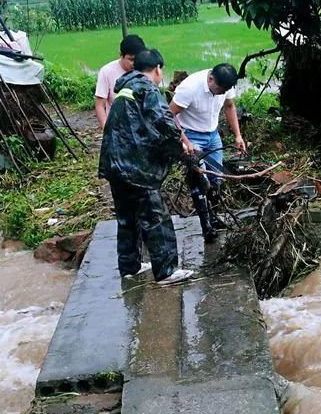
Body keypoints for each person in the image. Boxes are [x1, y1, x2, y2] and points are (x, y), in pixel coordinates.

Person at [98, 49, 193, 286]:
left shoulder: (124, 89)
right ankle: (167, 271)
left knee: (127, 217)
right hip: (136, 167)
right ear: (158, 68)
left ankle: (130, 266)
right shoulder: (147, 88)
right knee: (156, 218)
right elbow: (165, 123)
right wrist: (181, 151)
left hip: (114, 164)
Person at [169, 63, 245, 240]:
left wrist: (238, 136)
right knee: (199, 180)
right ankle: (206, 227)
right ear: (210, 79)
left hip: (213, 134)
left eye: (224, 90)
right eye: (219, 89)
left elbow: (229, 106)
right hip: (191, 135)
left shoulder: (224, 85)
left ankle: (214, 216)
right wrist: (185, 141)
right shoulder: (190, 87)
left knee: (215, 178)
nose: (221, 93)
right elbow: (169, 114)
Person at [94, 34, 147, 129]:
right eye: (131, 59)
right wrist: (107, 131)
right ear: (121, 55)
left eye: (138, 59)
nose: (135, 63)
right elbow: (100, 105)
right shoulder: (106, 72)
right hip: (118, 128)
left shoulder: (145, 70)